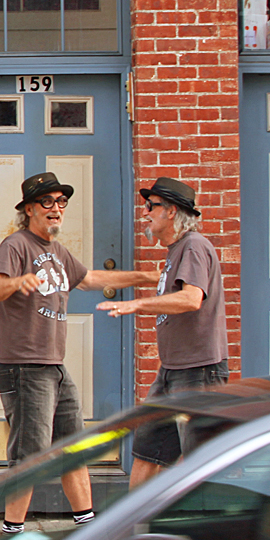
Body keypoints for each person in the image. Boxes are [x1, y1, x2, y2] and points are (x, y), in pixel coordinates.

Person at [0, 172, 157, 534]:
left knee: (74, 448)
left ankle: (89, 530)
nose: (56, 209)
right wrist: (18, 282)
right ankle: (9, 535)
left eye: (61, 202)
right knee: (29, 458)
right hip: (24, 367)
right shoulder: (16, 246)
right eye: (47, 202)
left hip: (55, 367)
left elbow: (91, 279)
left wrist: (145, 278)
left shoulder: (57, 252)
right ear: (28, 209)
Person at [98, 177, 228, 488]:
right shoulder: (176, 250)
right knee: (147, 450)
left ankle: (207, 531)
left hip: (199, 371)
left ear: (171, 211)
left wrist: (139, 304)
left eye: (151, 206)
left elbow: (191, 298)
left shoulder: (194, 246)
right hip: (172, 370)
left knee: (202, 462)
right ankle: (132, 527)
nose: (145, 213)